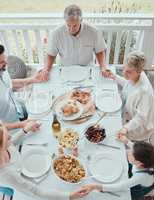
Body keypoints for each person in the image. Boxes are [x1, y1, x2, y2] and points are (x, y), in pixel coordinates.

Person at [0, 121, 88, 200]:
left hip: (24, 166)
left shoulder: (5, 147)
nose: (10, 136)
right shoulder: (7, 174)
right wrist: (69, 196)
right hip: (19, 183)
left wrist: (25, 130)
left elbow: (11, 143)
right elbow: (36, 191)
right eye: (7, 138)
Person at [39, 4, 110, 81]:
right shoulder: (56, 33)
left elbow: (99, 51)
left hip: (87, 70)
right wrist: (46, 70)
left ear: (81, 20)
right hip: (65, 71)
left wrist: (103, 67)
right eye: (68, 25)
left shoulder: (94, 32)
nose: (71, 29)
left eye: (75, 25)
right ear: (65, 21)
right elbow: (51, 54)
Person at [81, 133, 154, 200]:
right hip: (137, 172)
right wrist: (126, 141)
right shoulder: (146, 158)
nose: (127, 152)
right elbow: (137, 149)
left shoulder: (141, 176)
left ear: (138, 163)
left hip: (137, 188)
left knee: (124, 195)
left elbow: (121, 186)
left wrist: (95, 187)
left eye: (130, 154)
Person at [107, 51, 154, 141]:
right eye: (124, 68)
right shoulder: (134, 76)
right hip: (127, 113)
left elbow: (141, 117)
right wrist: (115, 77)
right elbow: (129, 85)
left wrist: (126, 128)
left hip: (138, 127)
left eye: (128, 72)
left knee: (115, 137)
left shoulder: (145, 92)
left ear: (139, 71)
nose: (124, 73)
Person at [0, 44, 45, 131]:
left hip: (21, 109)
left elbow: (9, 84)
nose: (6, 63)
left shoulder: (3, 71)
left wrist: (33, 79)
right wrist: (21, 125)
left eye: (4, 59)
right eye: (1, 62)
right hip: (11, 129)